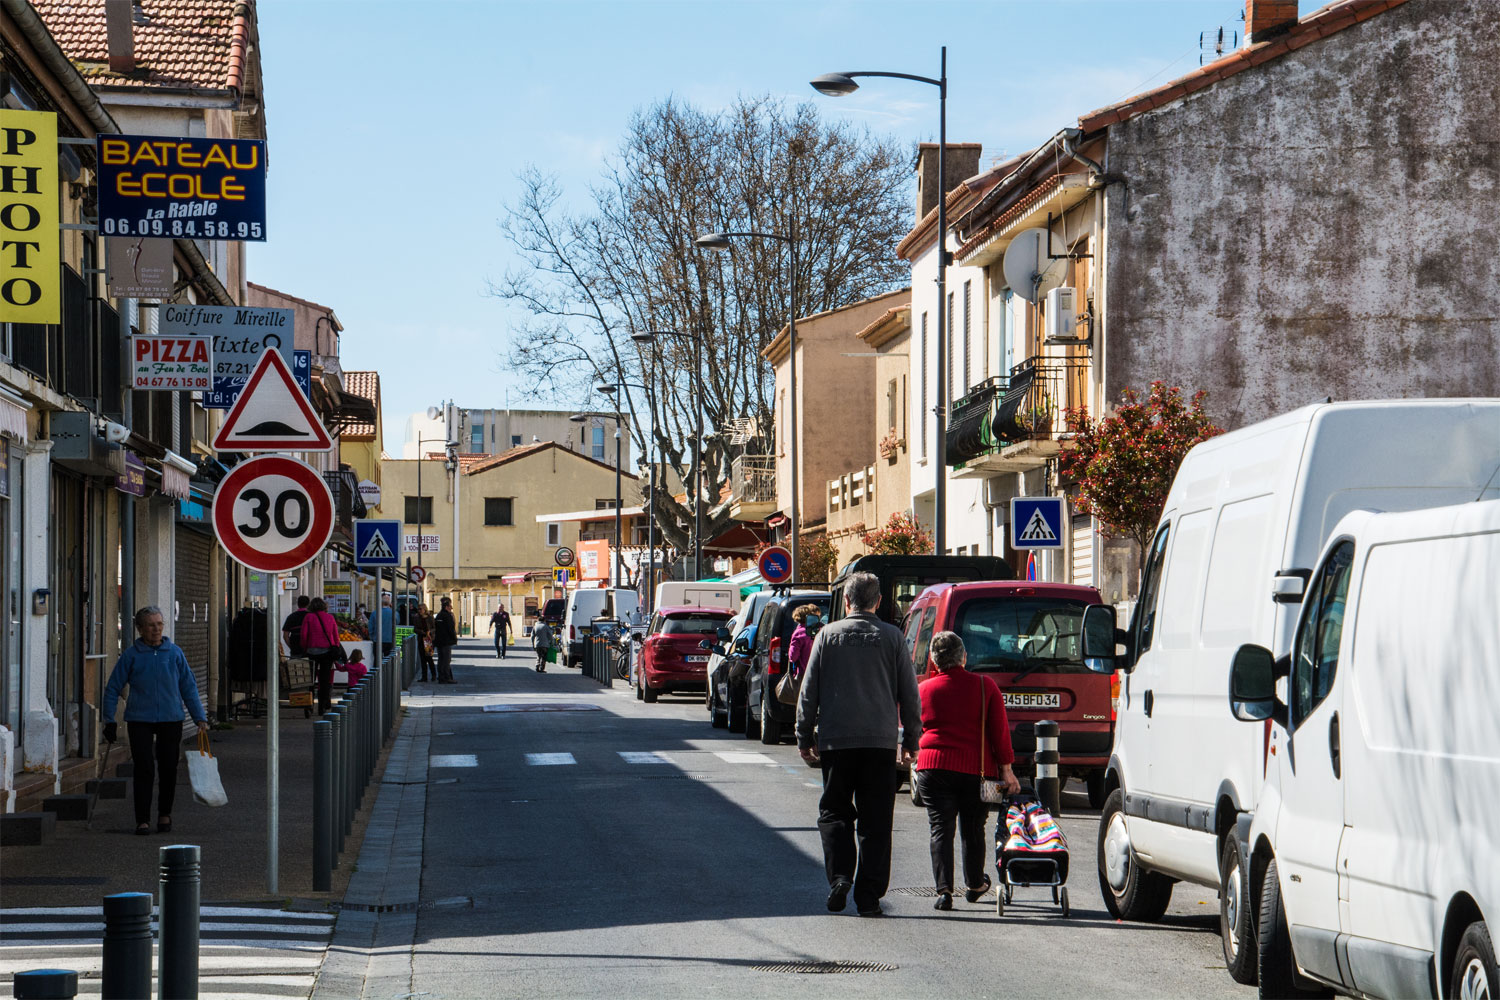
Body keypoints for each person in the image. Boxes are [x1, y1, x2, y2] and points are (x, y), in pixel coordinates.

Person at [796, 571, 921, 918]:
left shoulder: (827, 635)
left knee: (834, 812)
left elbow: (809, 692)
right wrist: (912, 739)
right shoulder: (893, 638)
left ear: (847, 601)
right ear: (878, 602)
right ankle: (868, 898)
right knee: (876, 821)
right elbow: (910, 695)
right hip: (880, 743)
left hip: (837, 741)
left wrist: (804, 735)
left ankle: (839, 877)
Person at [915, 631, 1021, 912]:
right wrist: (1007, 770)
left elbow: (915, 727)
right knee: (974, 828)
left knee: (940, 828)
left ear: (935, 662)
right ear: (964, 657)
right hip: (978, 770)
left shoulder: (924, 689)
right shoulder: (985, 686)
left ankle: (944, 891)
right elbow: (999, 732)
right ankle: (975, 884)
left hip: (933, 767)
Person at [102, 606, 209, 836]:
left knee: (169, 767)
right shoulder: (131, 655)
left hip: (171, 718)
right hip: (140, 718)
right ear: (140, 629)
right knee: (144, 768)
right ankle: (142, 820)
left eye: (159, 624)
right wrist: (109, 720)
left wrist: (199, 717)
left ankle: (164, 814)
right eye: (151, 625)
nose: (156, 629)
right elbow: (112, 688)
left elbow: (188, 687)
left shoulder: (175, 653)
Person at [299, 597, 343, 715]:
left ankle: (309, 704)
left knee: (310, 680)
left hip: (311, 652)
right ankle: (322, 706)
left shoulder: (308, 617)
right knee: (324, 680)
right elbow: (335, 635)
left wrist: (305, 648)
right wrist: (335, 647)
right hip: (327, 652)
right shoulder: (330, 617)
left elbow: (304, 635)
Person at [787, 604, 823, 680]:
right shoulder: (820, 630)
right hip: (820, 672)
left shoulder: (798, 633)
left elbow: (793, 657)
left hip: (804, 674)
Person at [434, 597, 459, 683]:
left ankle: (441, 677)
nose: (451, 608)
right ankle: (446, 677)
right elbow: (450, 629)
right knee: (446, 660)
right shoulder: (447, 616)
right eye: (450, 606)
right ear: (446, 607)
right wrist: (454, 639)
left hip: (439, 641)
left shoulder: (439, 615)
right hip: (446, 641)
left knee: (441, 660)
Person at [413, 603, 436, 682]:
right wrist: (421, 632)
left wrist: (430, 632)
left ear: (424, 609)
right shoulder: (416, 617)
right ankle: (424, 676)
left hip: (428, 640)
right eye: (418, 609)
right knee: (422, 659)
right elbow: (415, 629)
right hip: (421, 639)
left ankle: (433, 675)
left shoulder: (430, 617)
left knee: (429, 658)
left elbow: (434, 628)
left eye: (420, 609)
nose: (419, 611)